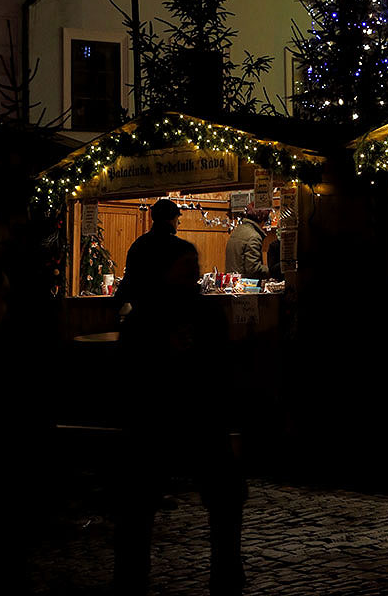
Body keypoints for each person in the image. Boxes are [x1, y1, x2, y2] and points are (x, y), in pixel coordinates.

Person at [112, 199, 245, 595]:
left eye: (196, 268)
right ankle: (220, 576)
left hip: (185, 421)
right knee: (150, 504)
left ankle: (218, 574)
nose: (195, 274)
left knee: (150, 506)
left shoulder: (172, 312)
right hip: (167, 422)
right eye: (189, 269)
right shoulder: (157, 319)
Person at [225, 209, 270, 280]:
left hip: (234, 283)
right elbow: (253, 269)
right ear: (262, 219)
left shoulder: (238, 230)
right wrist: (272, 270)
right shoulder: (254, 236)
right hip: (246, 286)